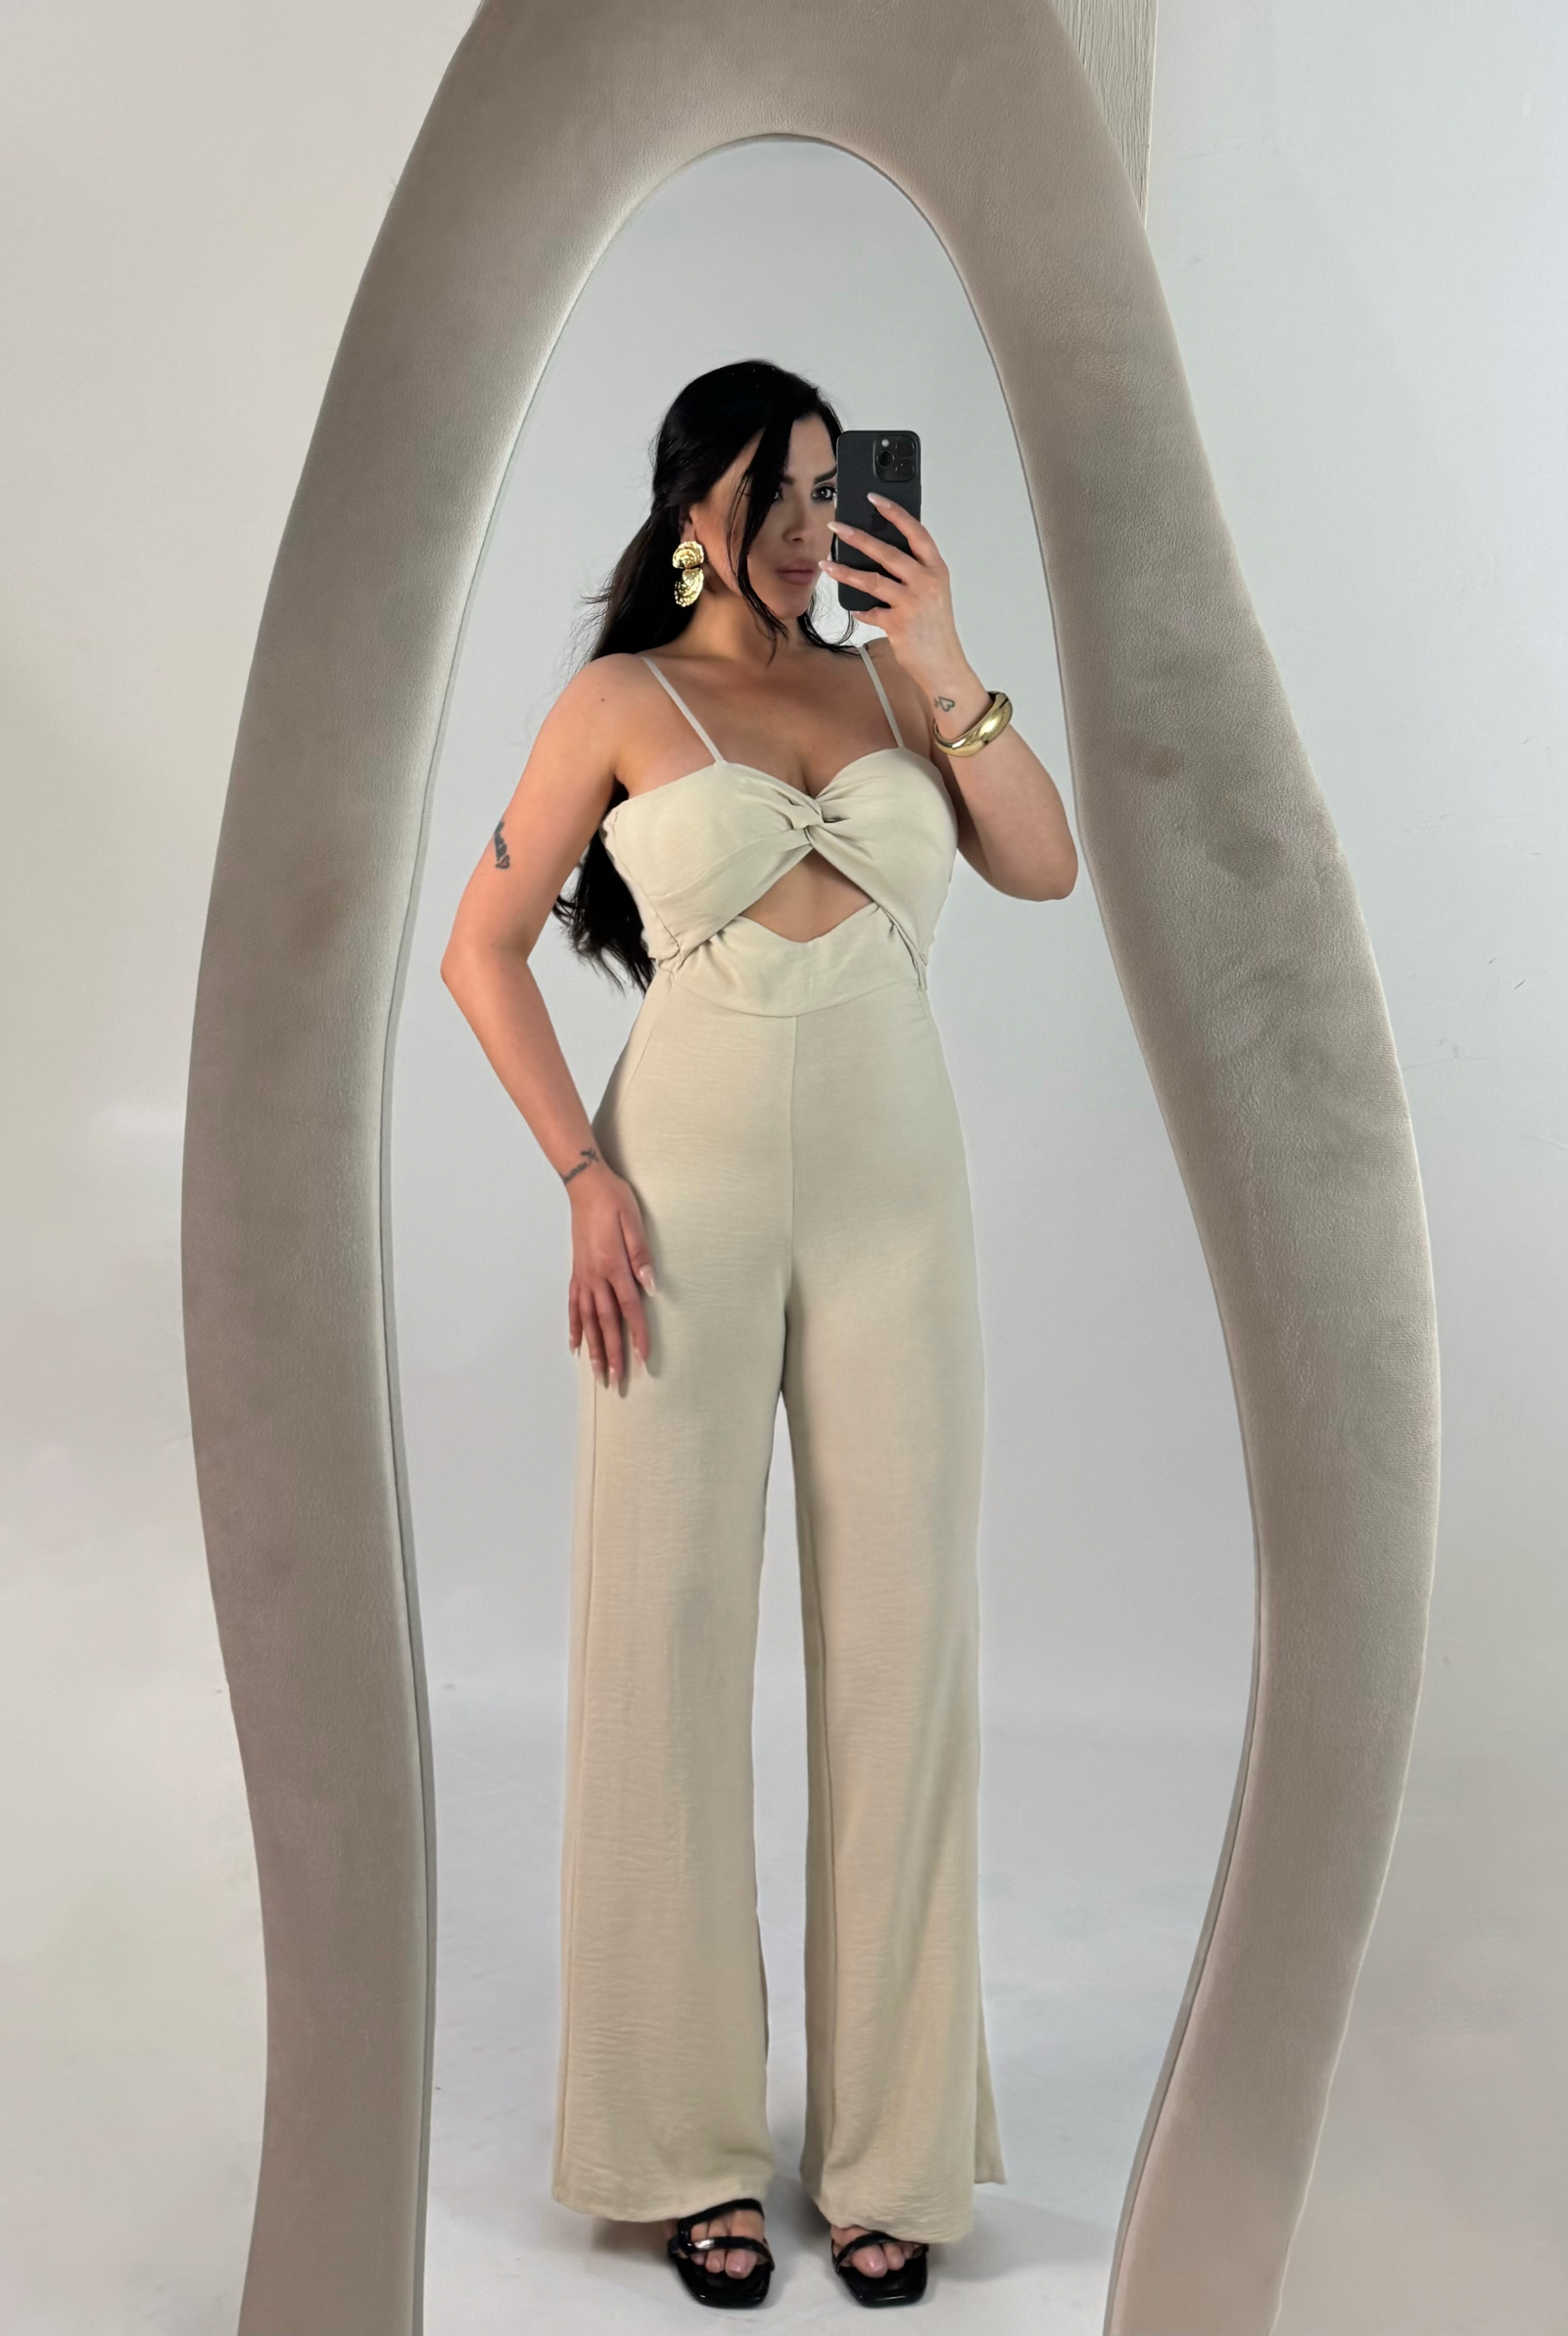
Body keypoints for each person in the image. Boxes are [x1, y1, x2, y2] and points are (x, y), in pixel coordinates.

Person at [440, 359, 1078, 2309]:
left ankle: (892, 2149)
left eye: (829, 487)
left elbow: (1043, 860)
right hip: (677, 1206)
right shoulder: (621, 703)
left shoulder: (895, 692)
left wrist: (941, 648)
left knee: (904, 1654)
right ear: (692, 505)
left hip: (896, 1210)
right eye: (773, 491)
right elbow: (478, 945)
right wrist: (582, 1172)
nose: (809, 525)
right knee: (660, 1645)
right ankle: (679, 2147)